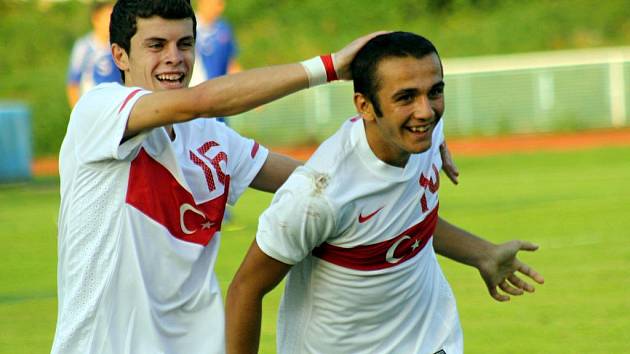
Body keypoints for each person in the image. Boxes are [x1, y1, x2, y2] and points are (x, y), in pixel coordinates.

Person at [51, 0, 383, 352]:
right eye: (156, 45)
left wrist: (400, 147)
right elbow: (201, 101)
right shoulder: (99, 109)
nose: (174, 57)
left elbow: (321, 182)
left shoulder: (211, 137)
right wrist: (328, 67)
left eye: (185, 44)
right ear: (119, 56)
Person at [225, 32, 545, 354]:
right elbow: (245, 290)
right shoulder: (317, 196)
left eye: (434, 92)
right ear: (365, 105)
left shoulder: (423, 135)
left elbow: (406, 219)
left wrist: (482, 253)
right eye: (405, 97)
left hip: (433, 342)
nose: (426, 111)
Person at [66, 1, 122, 107]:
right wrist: (78, 111)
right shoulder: (83, 47)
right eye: (107, 17)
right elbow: (73, 83)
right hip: (91, 108)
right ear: (95, 19)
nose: (111, 22)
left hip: (115, 109)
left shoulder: (120, 46)